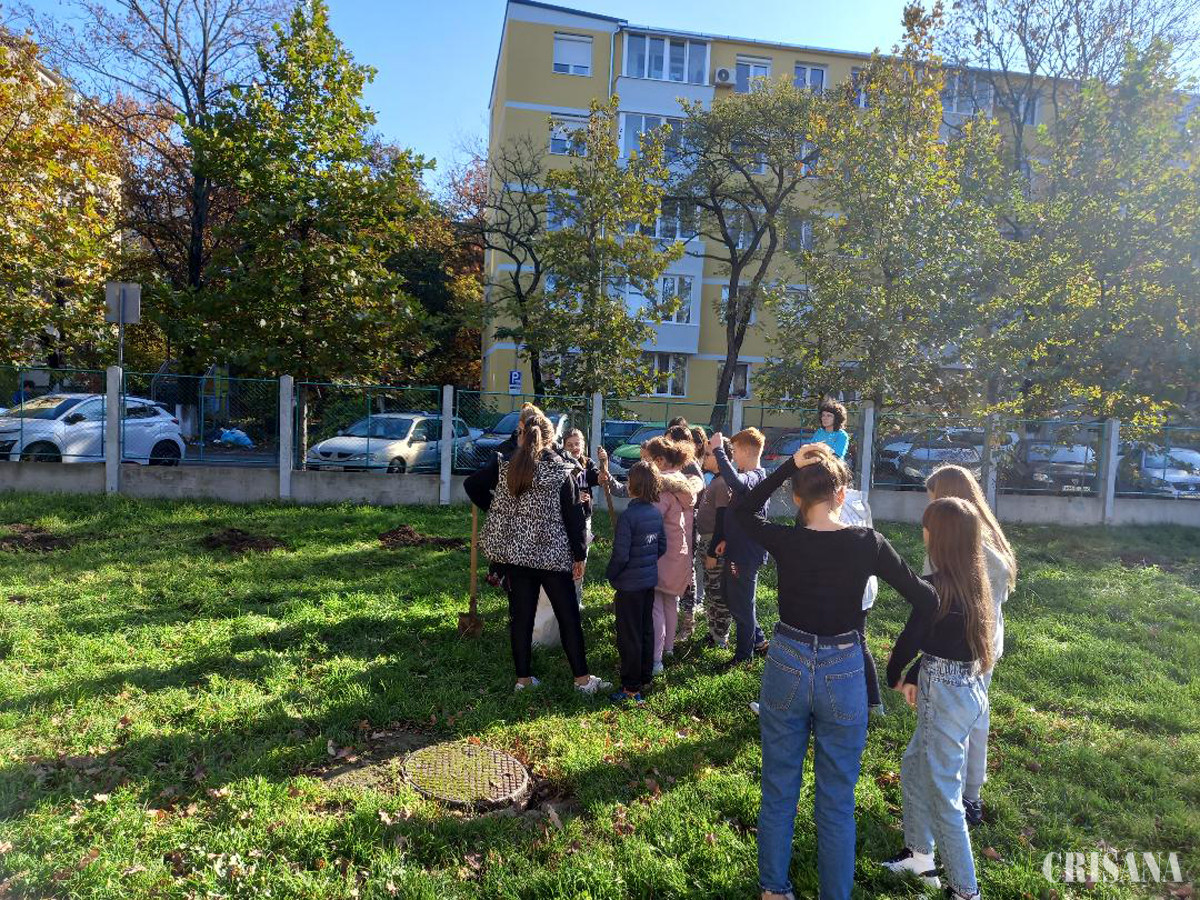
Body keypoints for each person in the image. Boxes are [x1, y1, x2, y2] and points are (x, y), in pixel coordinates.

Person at [729, 442, 939, 900]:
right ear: (842, 495)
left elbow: (742, 511)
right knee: (837, 801)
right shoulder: (867, 543)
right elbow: (927, 600)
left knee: (779, 789)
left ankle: (773, 890)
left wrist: (788, 465)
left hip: (786, 661)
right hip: (844, 668)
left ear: (796, 498)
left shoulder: (787, 539)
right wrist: (901, 665)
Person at [882, 497, 995, 900]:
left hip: (946, 693)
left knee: (944, 794)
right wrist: (917, 673)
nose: (922, 532)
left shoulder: (935, 588)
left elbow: (911, 637)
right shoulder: (972, 581)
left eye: (927, 527)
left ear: (938, 537)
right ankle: (919, 856)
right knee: (914, 765)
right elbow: (946, 641)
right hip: (966, 687)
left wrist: (895, 674)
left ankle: (965, 890)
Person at [464, 411, 611, 695]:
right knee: (568, 616)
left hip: (516, 556)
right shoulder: (561, 470)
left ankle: (523, 680)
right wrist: (579, 555)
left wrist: (497, 510)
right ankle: (582, 681)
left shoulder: (507, 466)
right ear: (551, 438)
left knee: (521, 618)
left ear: (522, 435)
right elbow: (574, 517)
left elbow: (472, 485)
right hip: (553, 556)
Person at [924, 464, 1016, 826]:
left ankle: (961, 794)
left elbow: (936, 599)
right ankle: (968, 794)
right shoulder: (988, 535)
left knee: (959, 722)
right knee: (975, 715)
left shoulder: (959, 542)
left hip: (963, 648)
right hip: (985, 644)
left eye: (933, 498)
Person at [605, 461, 667, 704]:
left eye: (629, 480)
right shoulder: (655, 513)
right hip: (647, 583)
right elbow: (661, 546)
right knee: (645, 629)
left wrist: (612, 574)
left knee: (628, 635)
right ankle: (645, 676)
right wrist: (647, 563)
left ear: (634, 486)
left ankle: (631, 687)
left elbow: (621, 556)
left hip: (629, 586)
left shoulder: (628, 517)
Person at [709, 428, 771, 665]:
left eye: (734, 451)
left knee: (742, 605)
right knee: (731, 596)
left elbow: (734, 481)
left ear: (746, 451)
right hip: (736, 548)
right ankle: (758, 640)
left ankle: (744, 656)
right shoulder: (751, 475)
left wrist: (718, 450)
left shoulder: (755, 477)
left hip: (745, 555)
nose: (733, 456)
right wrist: (728, 539)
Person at [644, 436, 703, 674]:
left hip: (660, 555)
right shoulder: (683, 482)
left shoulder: (661, 488)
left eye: (648, 460)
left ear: (659, 461)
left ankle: (656, 660)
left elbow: (650, 520)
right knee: (671, 602)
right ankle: (668, 649)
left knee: (656, 606)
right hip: (680, 555)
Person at [696, 439, 732, 648]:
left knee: (718, 593)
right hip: (706, 540)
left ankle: (721, 638)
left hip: (713, 543)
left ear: (720, 458)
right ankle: (713, 632)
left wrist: (712, 552)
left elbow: (722, 520)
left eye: (709, 454)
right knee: (710, 590)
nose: (705, 457)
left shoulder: (723, 483)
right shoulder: (716, 480)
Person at [563, 428, 602, 602]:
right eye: (569, 445)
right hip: (565, 520)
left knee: (581, 557)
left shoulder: (588, 464)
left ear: (583, 445)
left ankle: (576, 599)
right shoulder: (561, 465)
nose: (574, 448)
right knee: (566, 557)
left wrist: (604, 464)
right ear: (564, 447)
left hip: (584, 519)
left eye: (577, 444)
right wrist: (575, 496)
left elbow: (598, 478)